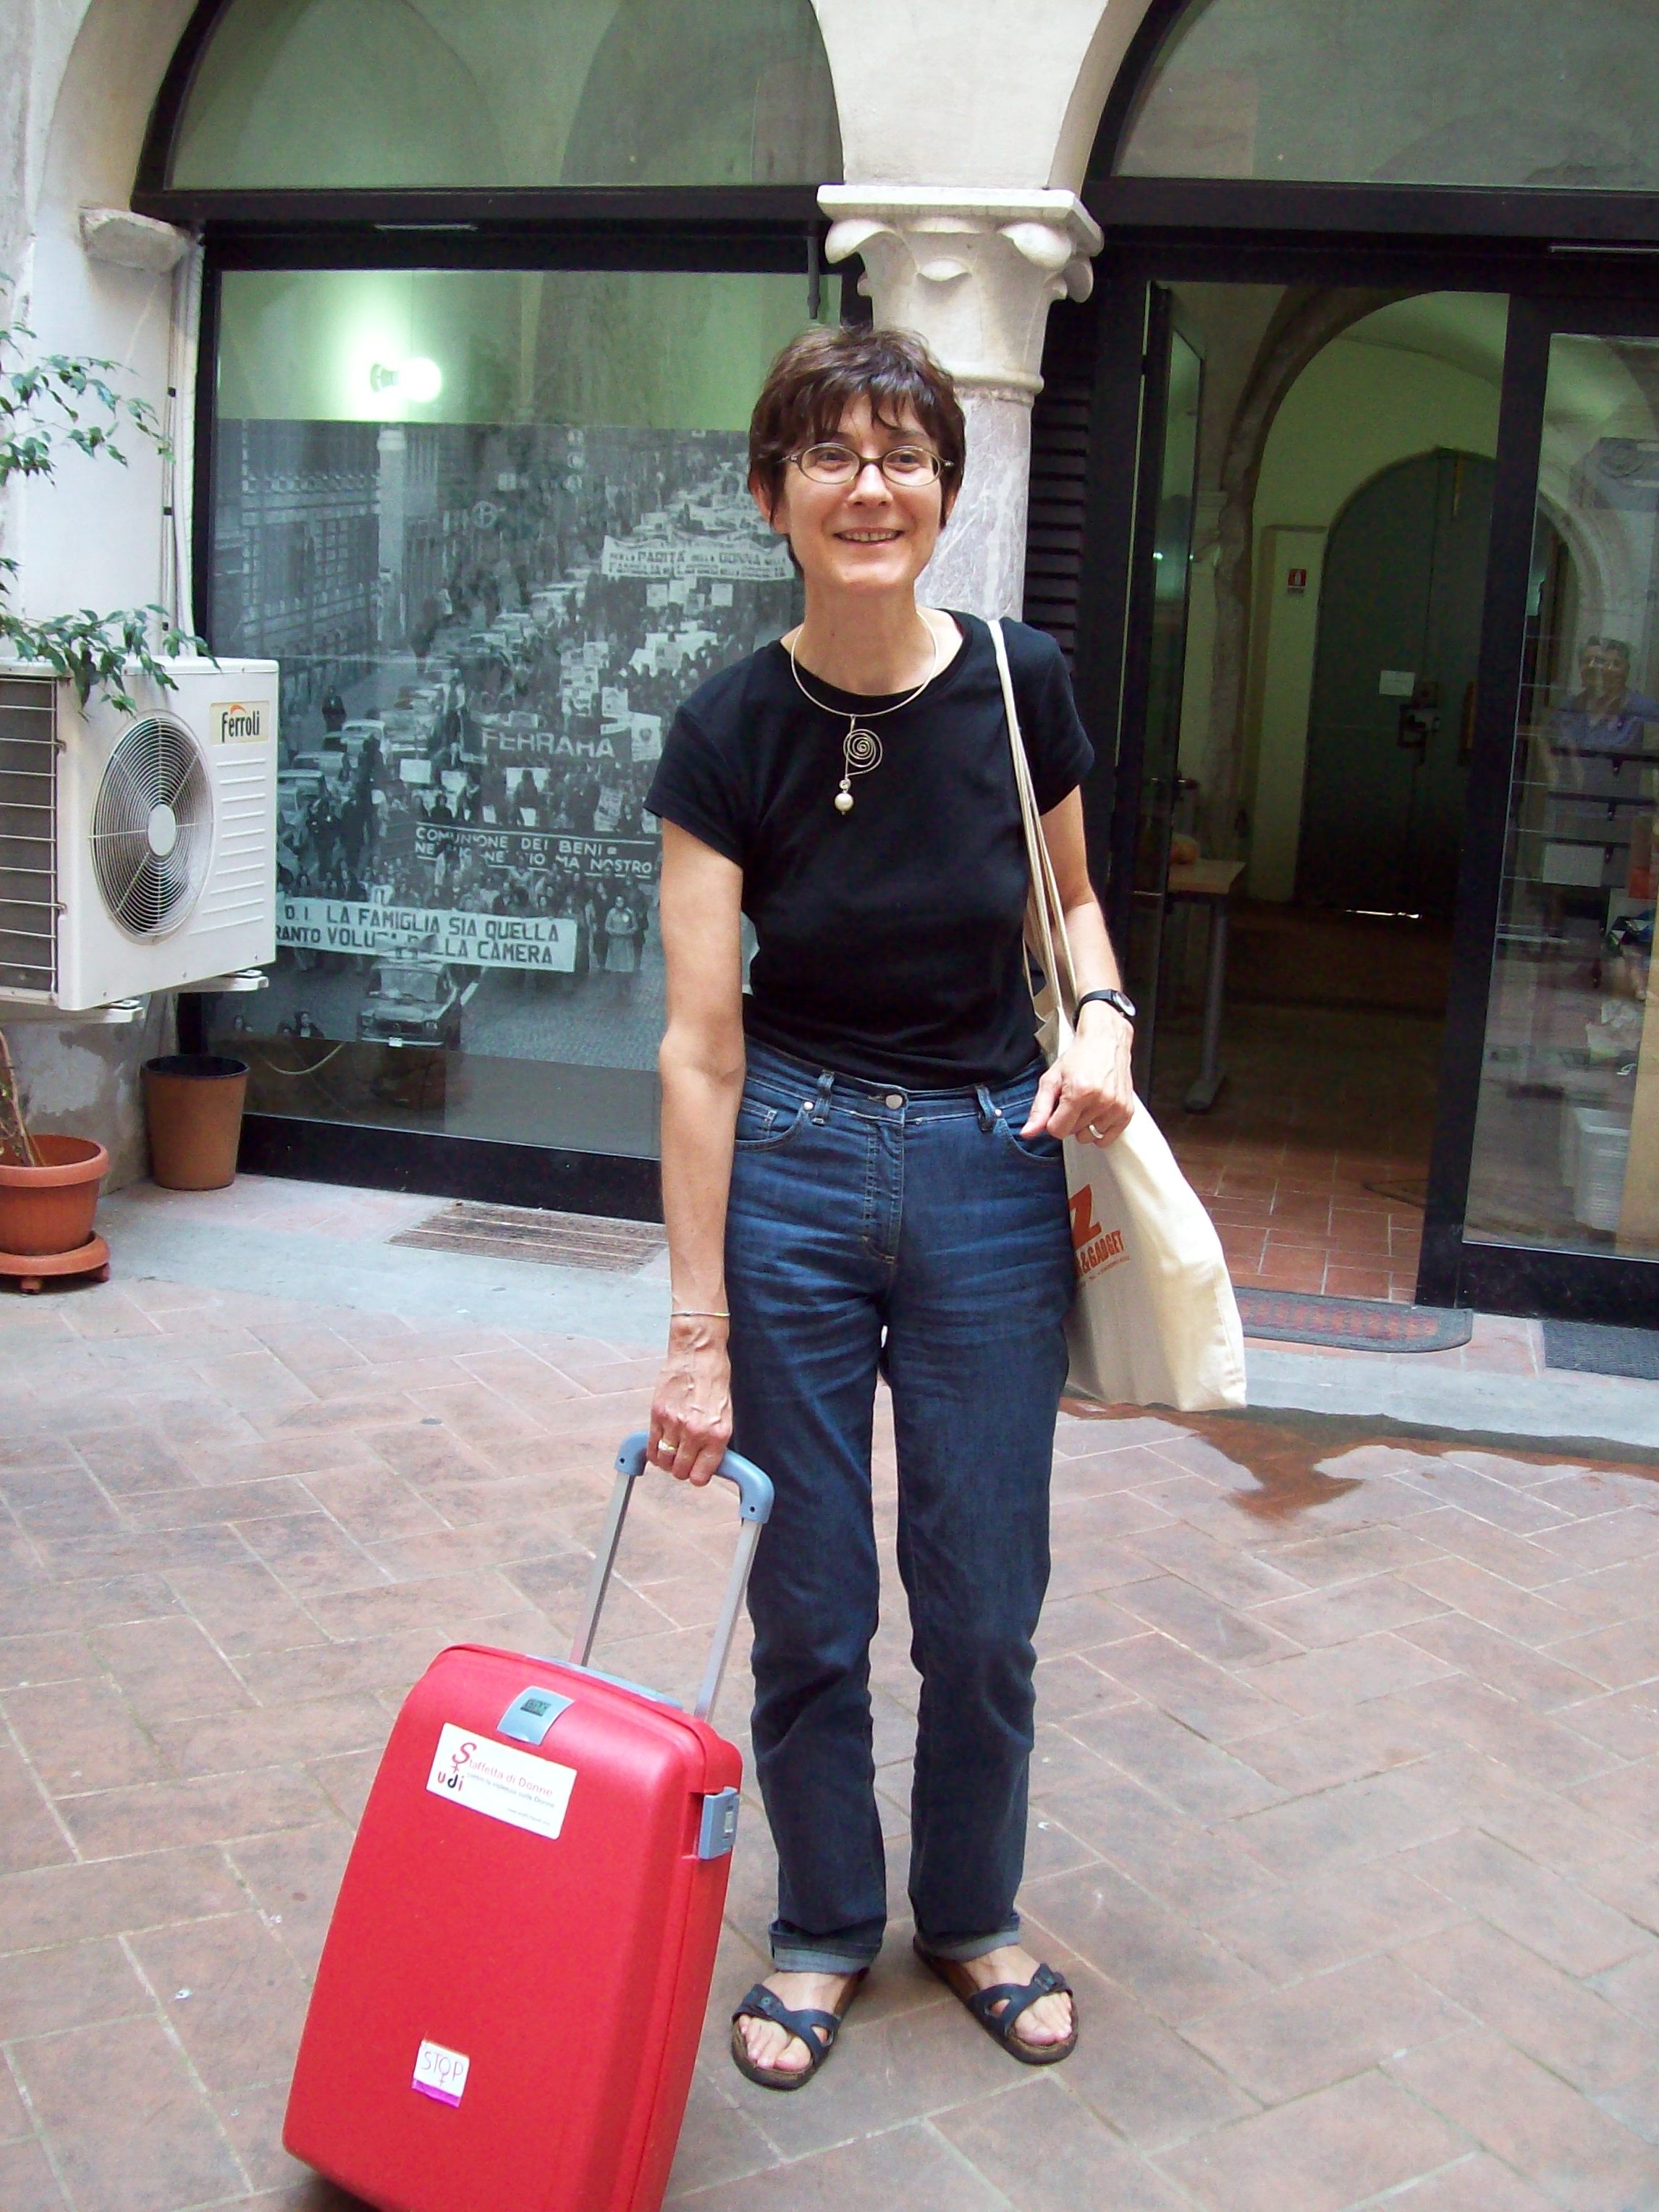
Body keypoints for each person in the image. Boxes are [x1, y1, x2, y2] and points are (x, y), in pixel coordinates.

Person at [645, 326, 1136, 2092]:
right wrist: (693, 1334)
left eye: (906, 455)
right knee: (809, 1601)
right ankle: (825, 1922)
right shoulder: (725, 729)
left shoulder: (1019, 680)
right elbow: (699, 1046)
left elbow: (1074, 909)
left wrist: (1106, 1019)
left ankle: (974, 1910)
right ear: (771, 494)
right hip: (788, 1161)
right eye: (832, 456)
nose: (873, 488)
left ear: (945, 489)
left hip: (990, 1163)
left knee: (986, 1598)